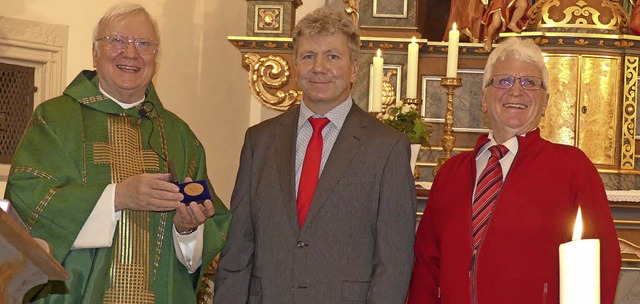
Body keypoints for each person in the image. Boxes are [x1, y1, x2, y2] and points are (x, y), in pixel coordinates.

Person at [5, 3, 230, 303]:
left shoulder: (178, 135)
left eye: (144, 44)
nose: (131, 53)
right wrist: (117, 196)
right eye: (117, 41)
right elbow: (26, 203)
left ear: (156, 57)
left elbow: (209, 230)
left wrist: (186, 230)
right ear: (95, 52)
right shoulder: (55, 119)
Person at [214, 7, 417, 303]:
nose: (319, 67)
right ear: (296, 66)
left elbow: (395, 262)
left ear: (354, 70)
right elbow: (238, 248)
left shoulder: (387, 148)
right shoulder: (260, 141)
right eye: (308, 56)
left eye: (332, 56)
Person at [408, 37, 621, 303]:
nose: (516, 91)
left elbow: (603, 262)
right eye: (504, 81)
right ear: (484, 99)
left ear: (545, 103)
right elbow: (427, 266)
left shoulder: (572, 168)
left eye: (530, 82)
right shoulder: (451, 173)